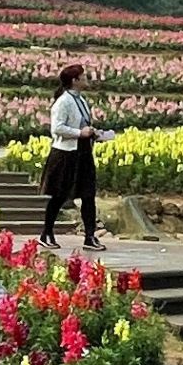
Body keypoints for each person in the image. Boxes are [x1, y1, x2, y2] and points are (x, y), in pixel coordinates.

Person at [40, 63, 109, 251]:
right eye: (83, 77)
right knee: (60, 195)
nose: (86, 80)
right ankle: (46, 233)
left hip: (83, 152)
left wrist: (92, 133)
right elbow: (57, 128)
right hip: (66, 154)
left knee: (88, 195)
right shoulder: (63, 101)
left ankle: (90, 236)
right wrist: (80, 133)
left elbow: (84, 124)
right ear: (74, 80)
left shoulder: (81, 100)